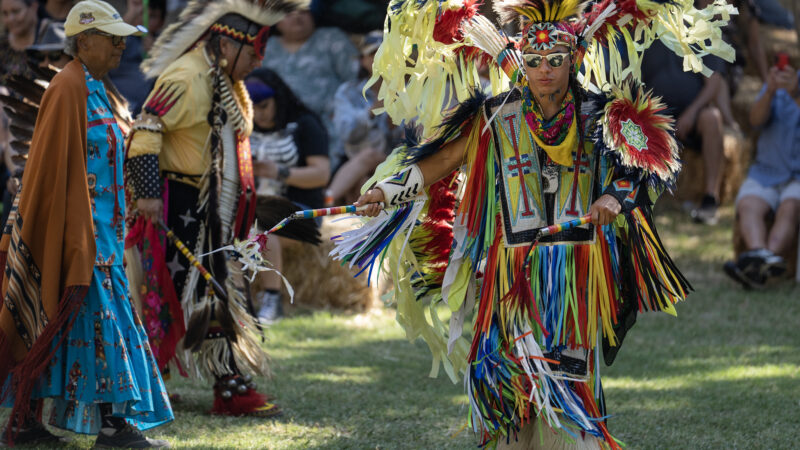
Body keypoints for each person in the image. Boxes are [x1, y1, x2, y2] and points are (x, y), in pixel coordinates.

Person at [333, 0, 730, 447]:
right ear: (522, 61)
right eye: (535, 61)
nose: (544, 71)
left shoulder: (602, 116)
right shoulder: (494, 116)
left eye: (555, 61)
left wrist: (612, 198)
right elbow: (437, 162)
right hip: (507, 275)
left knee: (567, 396)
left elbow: (648, 167)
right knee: (508, 398)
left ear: (574, 59)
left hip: (573, 276)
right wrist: (385, 193)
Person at [0, 0, 172, 447]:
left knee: (69, 328)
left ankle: (23, 421)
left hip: (102, 237)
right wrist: (73, 237)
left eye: (122, 39)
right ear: (85, 41)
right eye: (112, 38)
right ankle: (113, 427)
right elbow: (51, 172)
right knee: (102, 327)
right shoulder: (68, 87)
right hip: (83, 239)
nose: (120, 46)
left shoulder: (96, 85)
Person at [127, 0, 306, 417]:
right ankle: (219, 386)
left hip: (206, 206)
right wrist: (149, 193)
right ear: (227, 44)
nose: (258, 60)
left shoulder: (224, 80)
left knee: (201, 289)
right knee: (187, 291)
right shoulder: (188, 77)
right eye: (253, 50)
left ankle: (172, 382)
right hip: (177, 202)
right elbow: (146, 129)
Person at [245, 67, 329, 322]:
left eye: (264, 106)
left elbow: (321, 174)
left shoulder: (305, 124)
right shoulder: (242, 126)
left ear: (278, 99)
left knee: (261, 228)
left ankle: (272, 298)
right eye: (251, 107)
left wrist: (278, 172)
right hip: (252, 204)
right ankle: (236, 297)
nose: (258, 114)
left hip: (301, 207)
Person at [724, 61, 800, 288]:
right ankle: (761, 258)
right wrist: (769, 91)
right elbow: (754, 120)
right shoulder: (774, 85)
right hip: (765, 171)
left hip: (797, 176)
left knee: (790, 208)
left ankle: (759, 263)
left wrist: (795, 94)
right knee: (747, 205)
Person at [641, 39, 728, 225]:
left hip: (693, 113)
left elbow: (714, 82)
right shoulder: (644, 30)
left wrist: (691, 112)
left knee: (712, 117)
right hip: (652, 113)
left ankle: (710, 199)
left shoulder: (700, 30)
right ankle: (639, 198)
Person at [261, 7, 358, 172]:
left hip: (331, 126)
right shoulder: (267, 49)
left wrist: (346, 111)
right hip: (281, 131)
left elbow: (356, 81)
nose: (297, 17)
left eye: (303, 11)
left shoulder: (331, 38)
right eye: (289, 13)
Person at [326, 30, 402, 206]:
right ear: (362, 60)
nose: (380, 59)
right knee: (362, 183)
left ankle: (326, 202)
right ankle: (331, 203)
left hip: (396, 164)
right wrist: (371, 112)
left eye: (385, 53)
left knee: (370, 158)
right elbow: (346, 133)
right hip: (354, 164)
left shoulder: (408, 91)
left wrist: (394, 125)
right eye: (373, 53)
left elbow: (413, 138)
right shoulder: (348, 91)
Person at [0, 0, 48, 83]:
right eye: (5, 13)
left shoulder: (53, 38)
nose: (10, 19)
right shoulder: (2, 45)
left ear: (34, 7)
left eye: (16, 11)